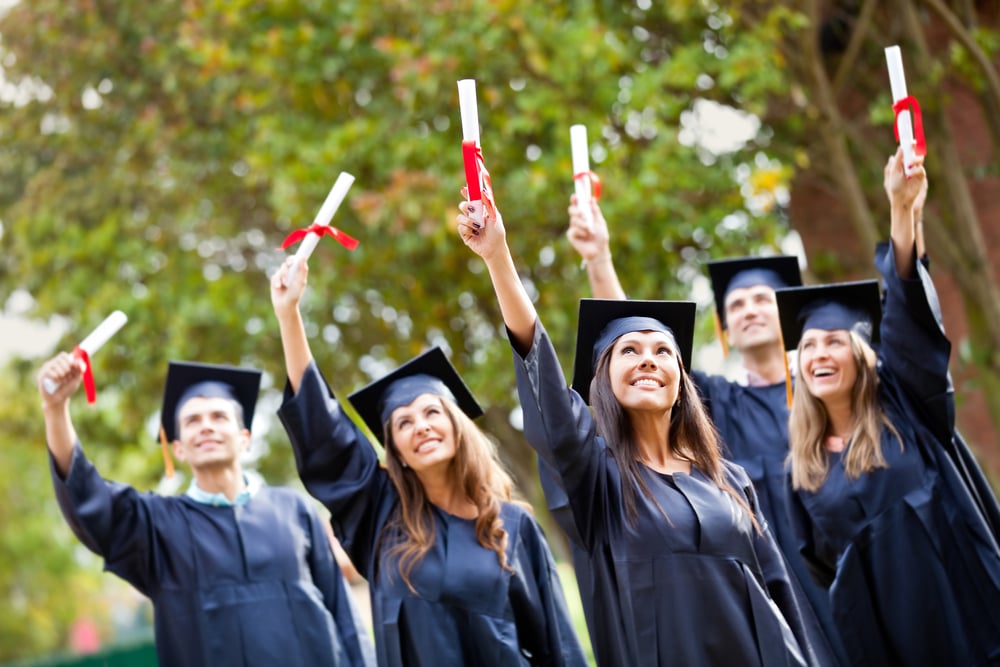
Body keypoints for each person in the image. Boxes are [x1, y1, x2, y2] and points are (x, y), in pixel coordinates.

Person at [456, 193, 816, 666]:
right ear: (601, 379)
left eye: (663, 351)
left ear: (683, 382)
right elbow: (547, 393)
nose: (648, 357)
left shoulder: (730, 480)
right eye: (628, 351)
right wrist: (498, 257)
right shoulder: (597, 480)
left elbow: (780, 597)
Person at [269, 256, 587, 667]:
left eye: (432, 412)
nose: (420, 426)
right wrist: (289, 314)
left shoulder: (513, 526)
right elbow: (325, 435)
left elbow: (556, 643)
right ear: (395, 450)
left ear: (457, 426)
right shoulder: (381, 520)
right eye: (403, 422)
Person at [566, 198, 846, 664]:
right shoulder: (722, 404)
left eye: (762, 299)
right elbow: (642, 355)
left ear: (789, 318)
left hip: (842, 582)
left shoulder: (832, 395)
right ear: (725, 329)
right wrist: (599, 259)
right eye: (736, 304)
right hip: (748, 583)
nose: (750, 310)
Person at [776, 147, 1000, 666]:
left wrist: (903, 210)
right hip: (889, 643)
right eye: (808, 346)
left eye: (834, 342)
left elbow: (908, 323)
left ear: (861, 358)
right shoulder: (801, 472)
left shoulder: (907, 408)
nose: (819, 354)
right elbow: (821, 569)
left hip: (965, 612)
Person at [38, 355, 374, 667]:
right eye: (193, 420)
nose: (206, 426)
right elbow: (88, 496)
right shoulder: (157, 526)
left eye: (219, 416)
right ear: (179, 448)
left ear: (245, 439)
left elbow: (342, 612)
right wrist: (55, 409)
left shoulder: (293, 510)